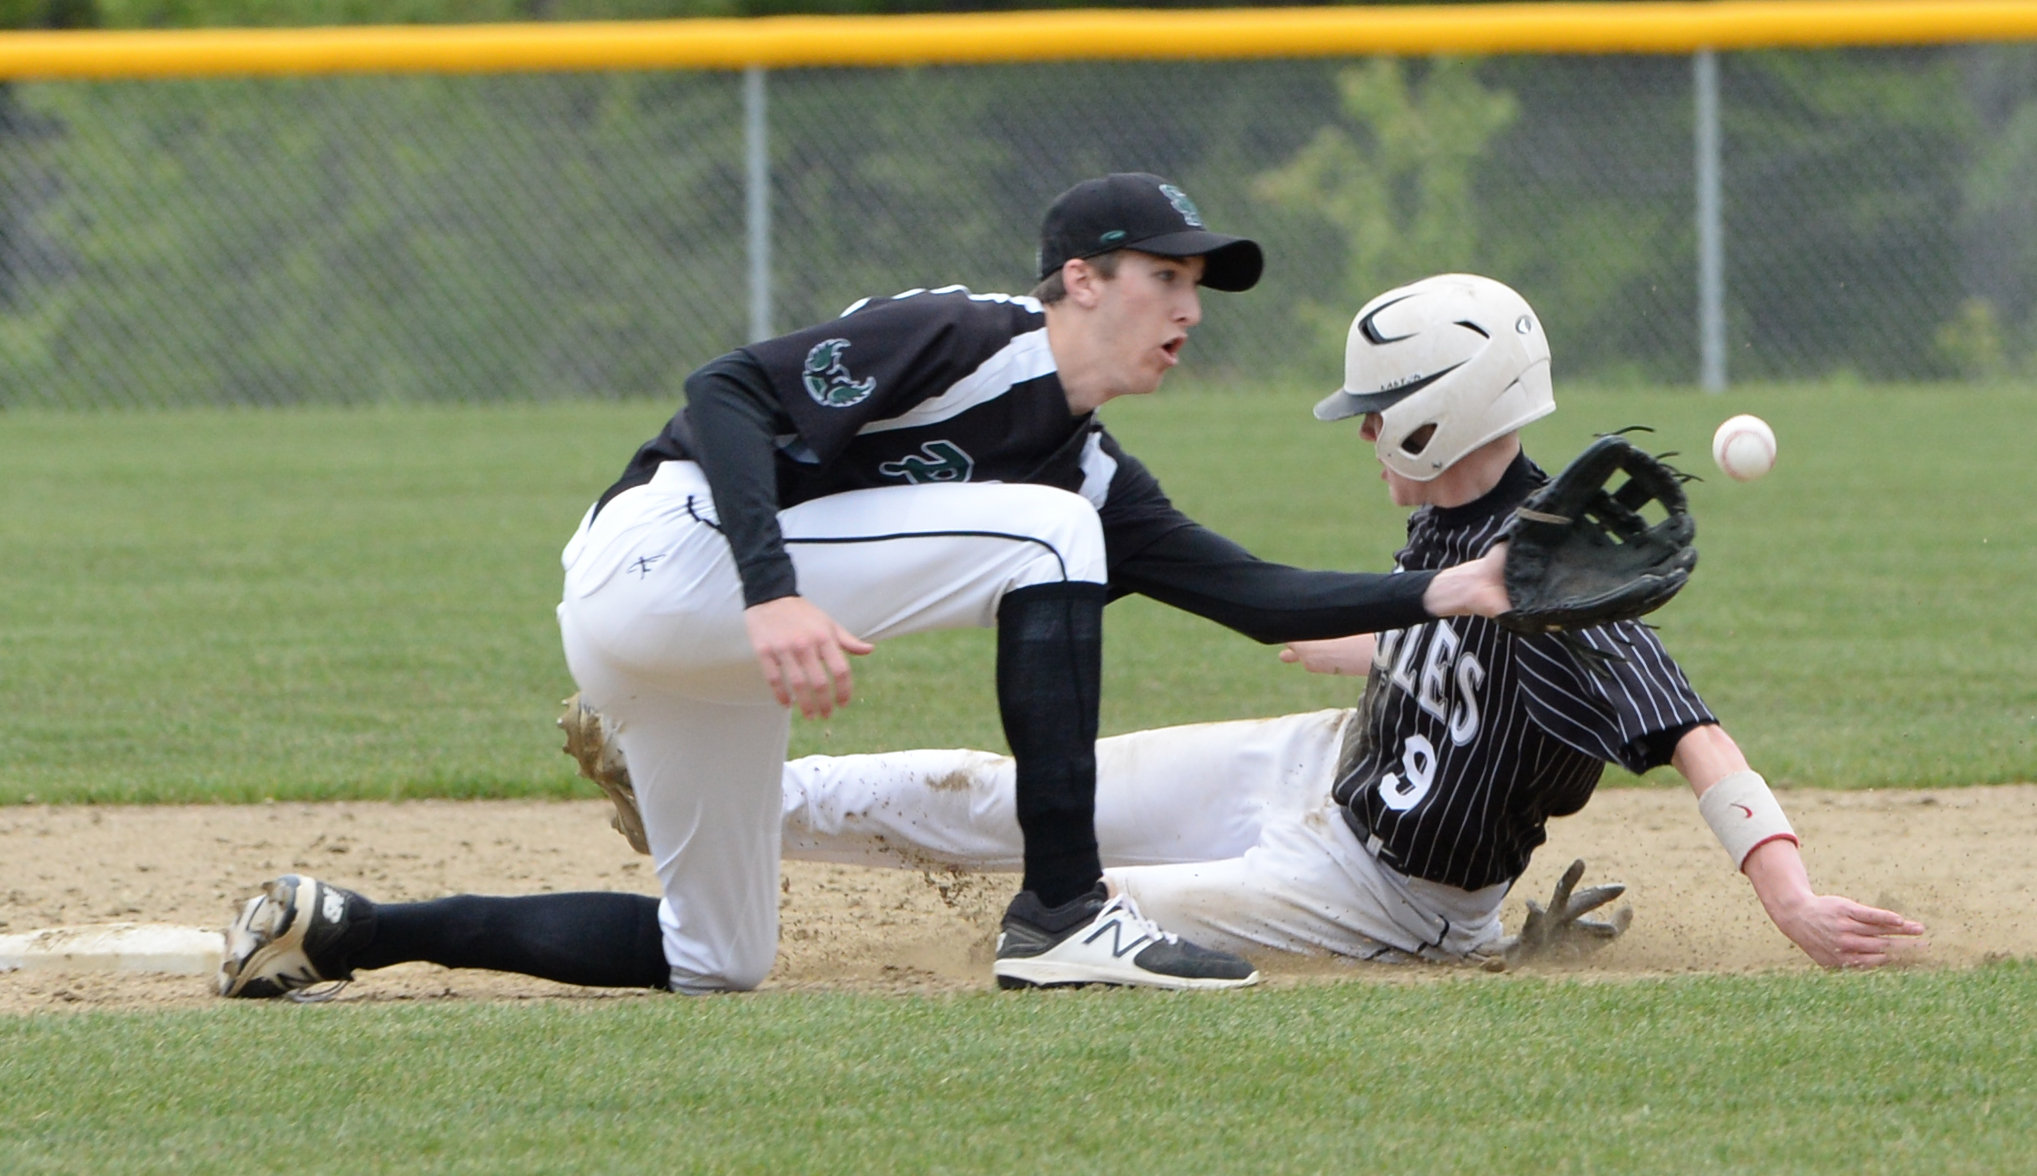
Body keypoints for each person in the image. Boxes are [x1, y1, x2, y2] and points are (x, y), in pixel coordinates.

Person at [216, 179, 1514, 1001]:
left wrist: (1472, 586)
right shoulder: (967, 337)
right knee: (1045, 539)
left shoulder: (1087, 469)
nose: (1187, 307)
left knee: (715, 960)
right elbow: (724, 390)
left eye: (1195, 288)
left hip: (695, 655)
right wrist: (771, 593)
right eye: (1163, 278)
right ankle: (1061, 917)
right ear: (1079, 281)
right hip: (659, 561)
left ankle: (341, 933)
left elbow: (1258, 596)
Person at [744, 273, 1929, 969]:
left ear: (1445, 416)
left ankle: (1465, 950)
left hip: (1391, 892)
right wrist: (1360, 645)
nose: (1365, 433)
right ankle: (727, 795)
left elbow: (1691, 731)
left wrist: (1789, 898)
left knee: (1090, 923)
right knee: (1028, 805)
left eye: (1381, 413)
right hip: (1322, 758)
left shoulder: (1554, 573)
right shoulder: (1455, 518)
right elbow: (1456, 654)